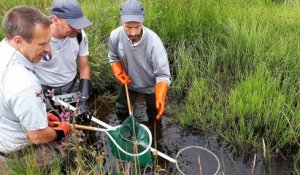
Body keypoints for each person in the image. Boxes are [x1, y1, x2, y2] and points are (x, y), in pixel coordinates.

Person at [0, 5, 71, 168]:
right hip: (19, 156)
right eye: (42, 44)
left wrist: (38, 116)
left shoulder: (3, 50)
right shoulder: (24, 83)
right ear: (18, 41)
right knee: (63, 156)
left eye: (49, 41)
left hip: (4, 141)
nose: (48, 50)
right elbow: (38, 136)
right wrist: (62, 131)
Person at [108, 0, 171, 121]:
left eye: (137, 27)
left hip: (151, 85)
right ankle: (123, 127)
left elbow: (163, 75)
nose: (133, 32)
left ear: (142, 22)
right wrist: (119, 73)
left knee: (155, 113)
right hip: (128, 83)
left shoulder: (154, 43)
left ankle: (155, 132)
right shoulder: (115, 36)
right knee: (121, 109)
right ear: (122, 23)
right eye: (128, 27)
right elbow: (113, 57)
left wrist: (161, 95)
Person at [33, 0, 92, 125]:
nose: (77, 29)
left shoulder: (79, 35)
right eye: (72, 25)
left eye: (79, 24)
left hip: (72, 87)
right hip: (46, 93)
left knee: (80, 122)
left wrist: (84, 100)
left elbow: (84, 67)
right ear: (55, 19)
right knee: (54, 126)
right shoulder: (38, 39)